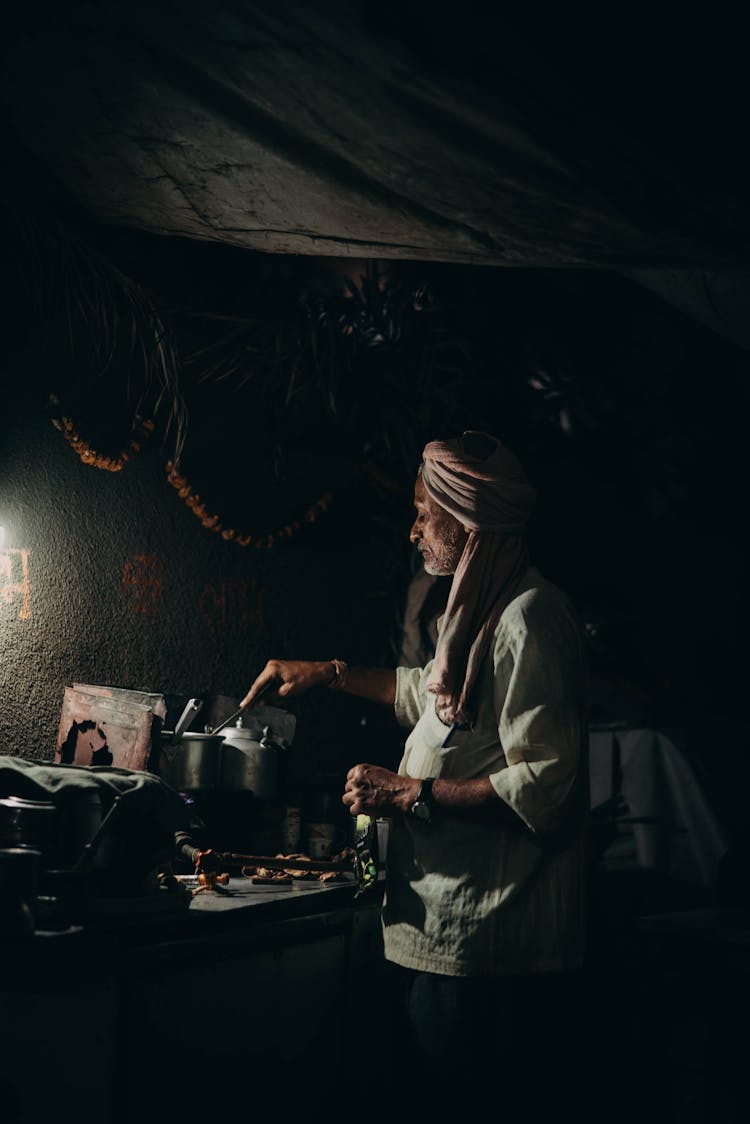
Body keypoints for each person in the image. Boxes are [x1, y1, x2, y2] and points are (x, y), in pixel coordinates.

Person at [241, 430, 589, 1113]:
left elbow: (544, 788)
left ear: (470, 522)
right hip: (441, 936)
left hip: (486, 950)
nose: (414, 530)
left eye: (425, 513)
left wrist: (408, 792)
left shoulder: (529, 620)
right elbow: (424, 695)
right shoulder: (480, 612)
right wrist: (329, 674)